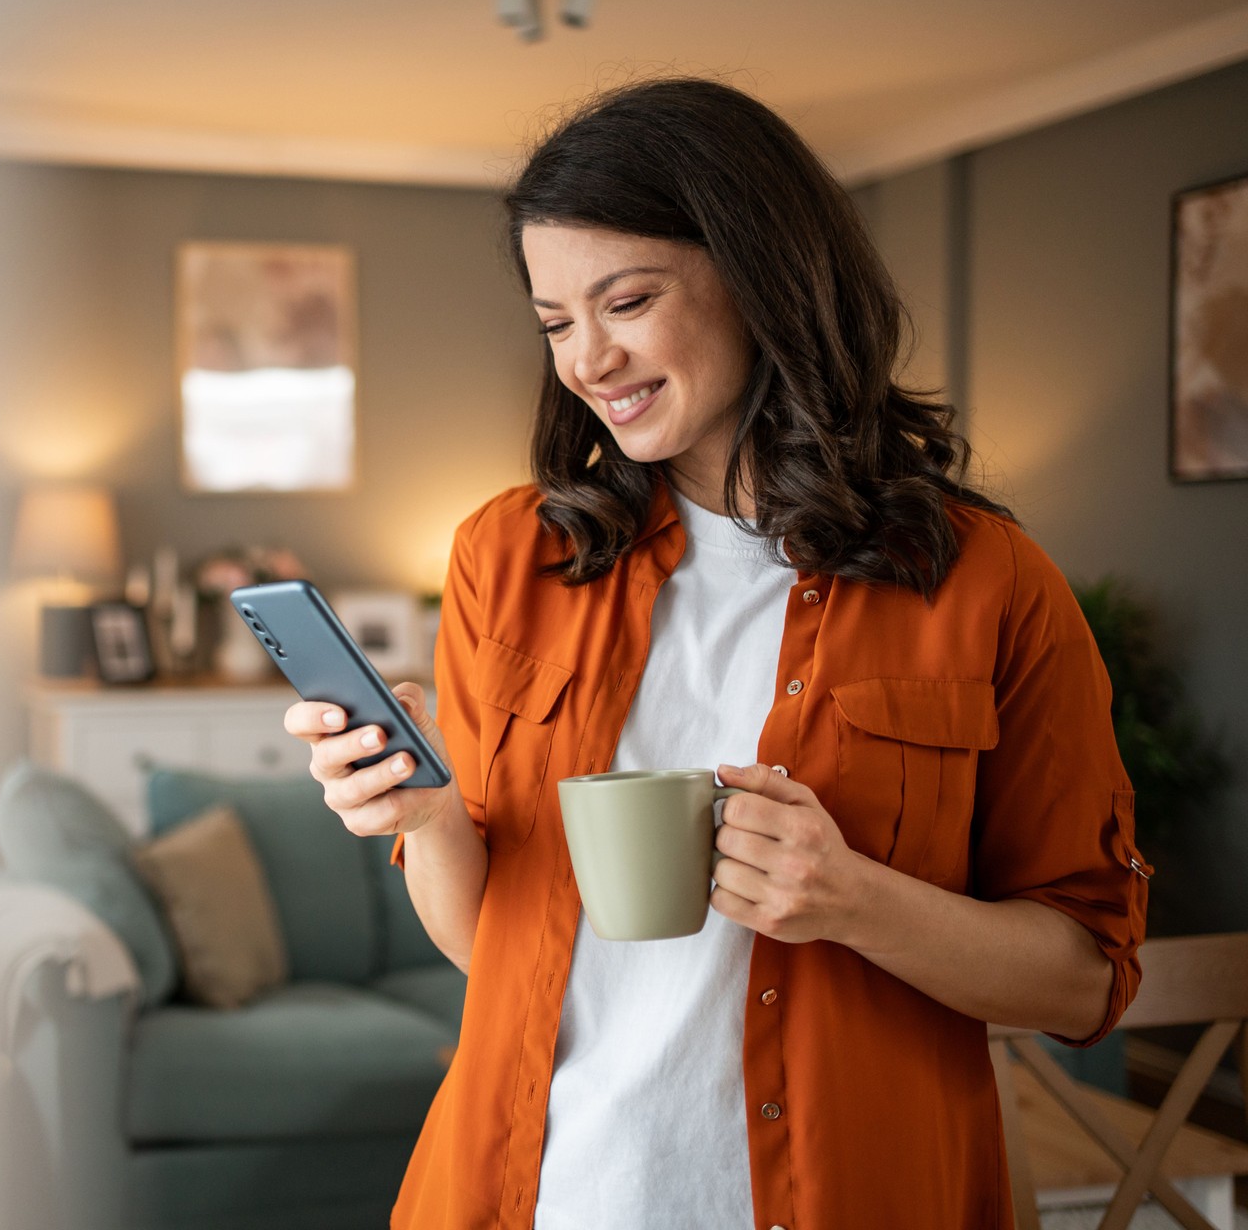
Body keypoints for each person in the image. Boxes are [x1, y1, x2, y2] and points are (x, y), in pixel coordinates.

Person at [283, 76, 1149, 1230]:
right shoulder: (509, 558)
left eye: (626, 300)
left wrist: (851, 898)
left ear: (760, 275)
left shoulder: (987, 583)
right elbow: (497, 951)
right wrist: (427, 816)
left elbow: (1086, 977)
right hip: (536, 1193)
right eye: (554, 323)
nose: (586, 359)